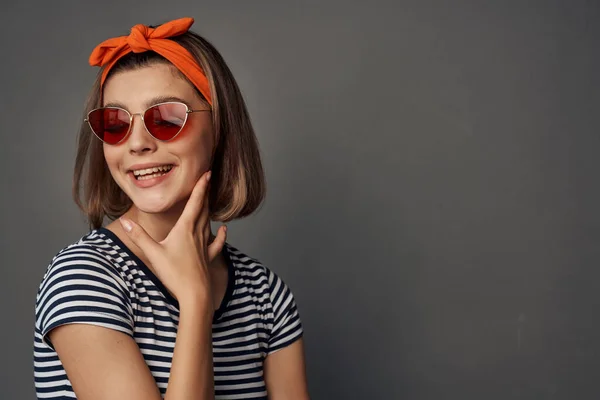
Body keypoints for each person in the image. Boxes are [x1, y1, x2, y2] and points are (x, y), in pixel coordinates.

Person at [33, 17, 309, 399]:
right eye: (115, 123)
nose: (137, 143)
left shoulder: (266, 294)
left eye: (166, 118)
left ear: (219, 127)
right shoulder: (85, 278)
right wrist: (195, 301)